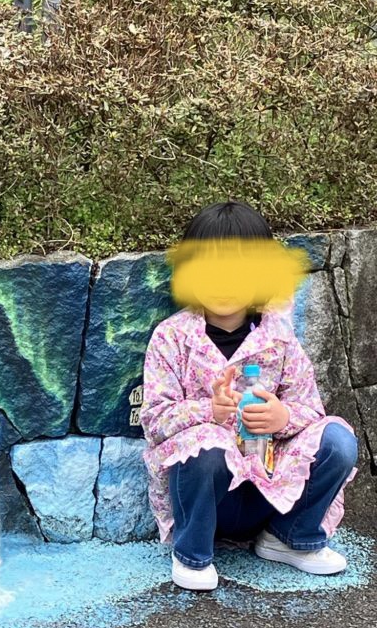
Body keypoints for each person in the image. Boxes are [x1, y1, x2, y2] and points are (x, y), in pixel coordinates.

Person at [139, 200, 358, 591]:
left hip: (270, 491)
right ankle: (193, 554)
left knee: (338, 441)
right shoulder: (172, 337)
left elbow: (311, 410)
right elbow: (154, 420)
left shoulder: (278, 338)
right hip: (209, 499)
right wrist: (207, 411)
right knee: (206, 443)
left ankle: (288, 537)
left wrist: (282, 417)